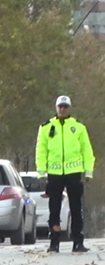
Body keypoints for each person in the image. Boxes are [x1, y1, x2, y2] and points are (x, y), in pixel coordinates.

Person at [36, 95, 95, 253]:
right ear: (56, 108)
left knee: (76, 208)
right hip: (54, 174)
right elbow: (40, 151)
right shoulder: (46, 127)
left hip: (73, 173)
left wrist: (88, 171)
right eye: (60, 106)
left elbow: (87, 150)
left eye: (65, 107)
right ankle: (54, 242)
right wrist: (41, 171)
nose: (62, 109)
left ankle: (78, 241)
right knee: (54, 208)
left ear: (69, 108)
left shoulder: (78, 127)